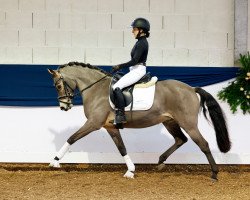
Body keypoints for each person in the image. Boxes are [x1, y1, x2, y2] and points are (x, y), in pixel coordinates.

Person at [112, 17, 150, 126]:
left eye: (134, 29)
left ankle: (121, 115)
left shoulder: (142, 43)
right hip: (135, 70)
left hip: (138, 70)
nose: (132, 31)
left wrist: (119, 66)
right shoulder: (140, 42)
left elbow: (134, 61)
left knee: (116, 87)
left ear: (141, 30)